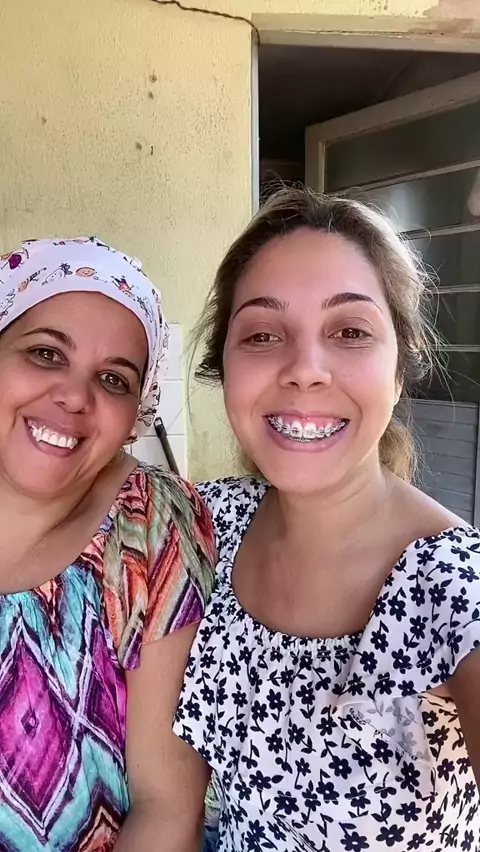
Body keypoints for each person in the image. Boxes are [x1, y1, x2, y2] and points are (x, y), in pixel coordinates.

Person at [175, 188, 480, 851]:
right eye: (262, 335)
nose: (305, 371)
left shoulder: (455, 584)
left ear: (400, 367)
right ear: (223, 367)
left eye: (350, 332)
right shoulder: (206, 525)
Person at [0, 236, 215, 851]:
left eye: (113, 379)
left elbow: (166, 807)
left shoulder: (150, 523)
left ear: (135, 413)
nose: (74, 396)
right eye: (45, 353)